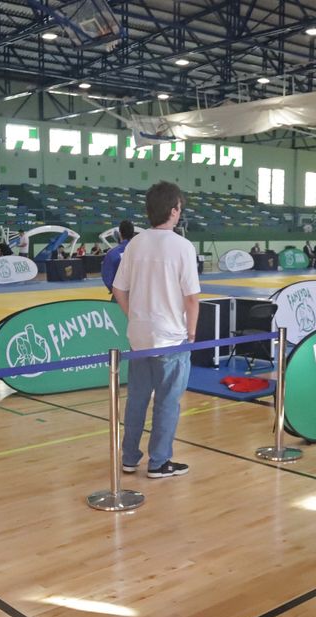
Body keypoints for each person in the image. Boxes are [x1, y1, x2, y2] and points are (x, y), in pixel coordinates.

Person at [112, 183, 199, 479]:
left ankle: (129, 457)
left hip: (139, 336)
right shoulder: (183, 246)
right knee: (166, 402)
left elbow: (118, 288)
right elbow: (191, 298)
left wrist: (134, 316)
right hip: (171, 337)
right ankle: (159, 462)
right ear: (174, 211)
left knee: (137, 398)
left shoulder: (134, 244)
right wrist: (191, 333)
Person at [101, 220, 135, 295]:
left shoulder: (112, 253)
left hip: (119, 295)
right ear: (133, 234)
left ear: (120, 234)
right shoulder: (142, 251)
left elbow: (107, 278)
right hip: (140, 295)